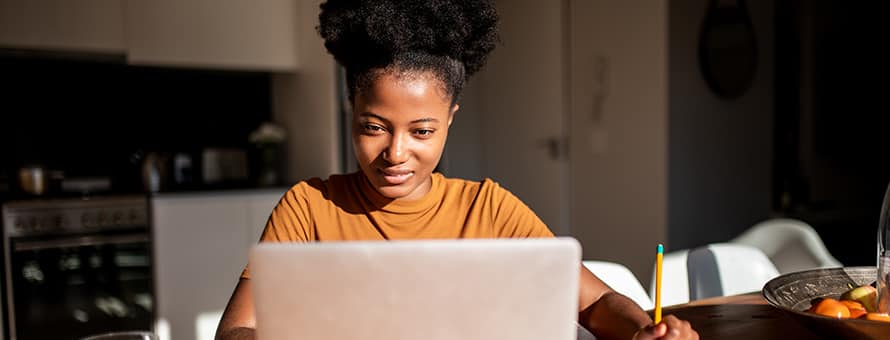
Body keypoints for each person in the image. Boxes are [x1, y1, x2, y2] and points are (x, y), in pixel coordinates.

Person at [216, 1, 698, 339]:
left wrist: (644, 332)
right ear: (351, 109)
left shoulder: (489, 210)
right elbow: (238, 328)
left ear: (449, 120)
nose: (396, 153)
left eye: (421, 131)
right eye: (374, 127)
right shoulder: (308, 208)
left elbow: (594, 303)